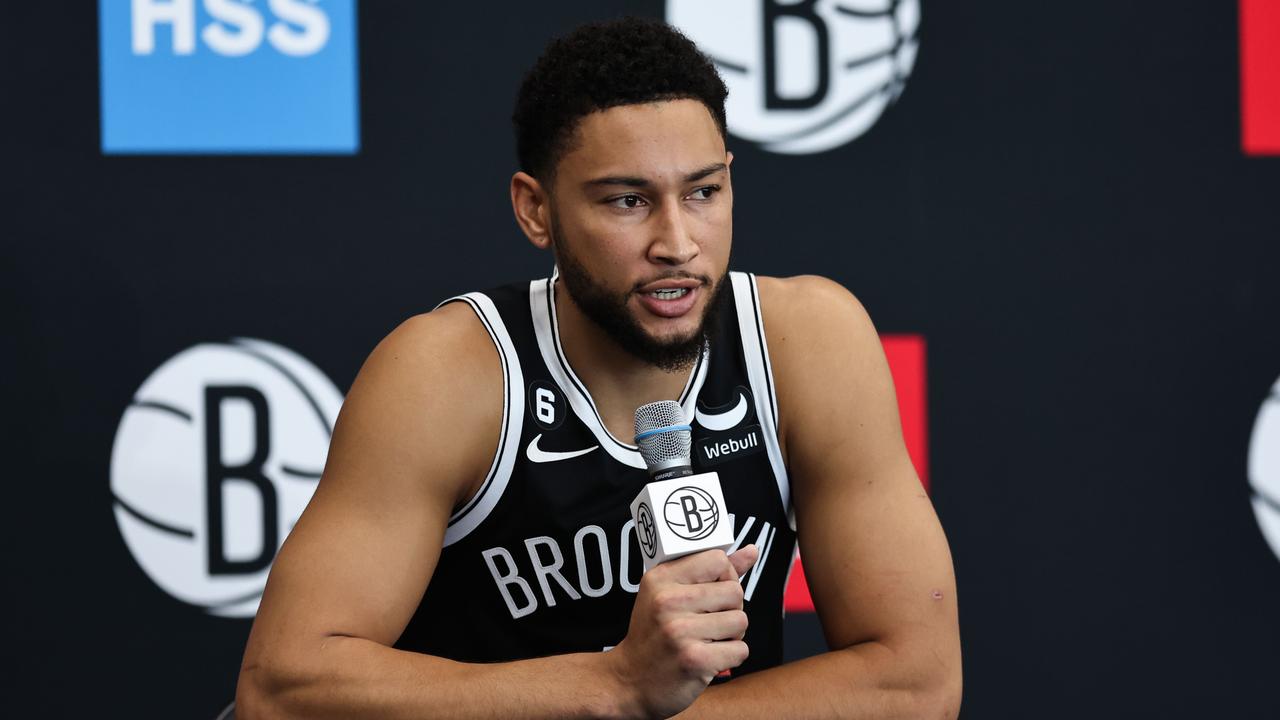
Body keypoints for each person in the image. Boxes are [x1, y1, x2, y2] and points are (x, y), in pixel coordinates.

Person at [236, 16, 960, 719]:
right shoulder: (448, 374)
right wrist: (611, 686)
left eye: (703, 192)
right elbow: (286, 688)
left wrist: (643, 708)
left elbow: (914, 684)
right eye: (627, 201)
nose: (677, 242)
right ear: (536, 211)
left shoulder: (807, 342)